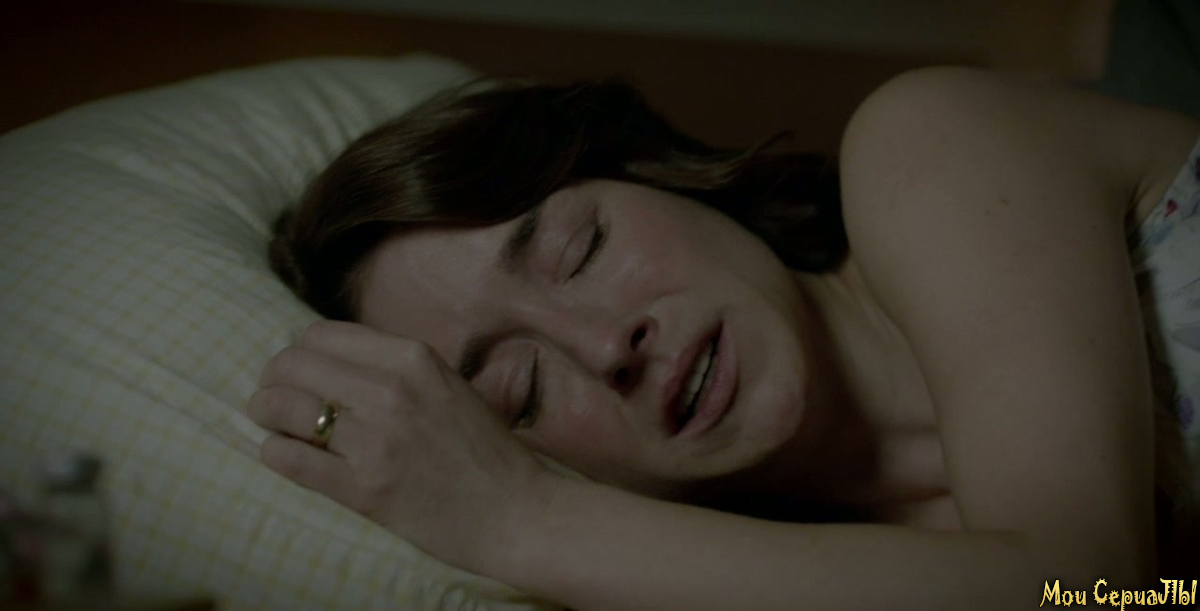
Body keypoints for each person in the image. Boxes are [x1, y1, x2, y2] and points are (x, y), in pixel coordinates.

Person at [246, 65, 1200, 609]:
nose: (605, 346)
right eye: (520, 391)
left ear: (654, 174)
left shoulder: (926, 145)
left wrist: (519, 519)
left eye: (582, 249)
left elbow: (1092, 590)